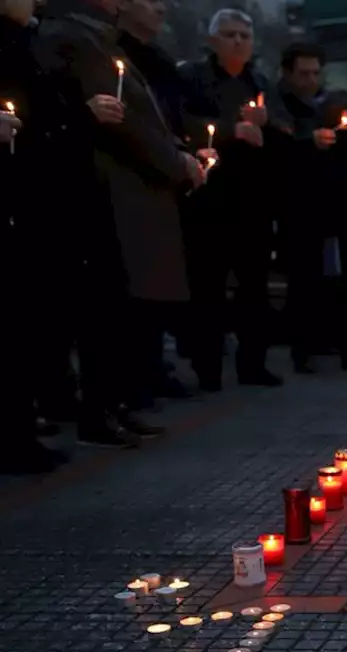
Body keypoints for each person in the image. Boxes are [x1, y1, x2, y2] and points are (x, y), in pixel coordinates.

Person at [36, 0, 203, 447]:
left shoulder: (100, 38)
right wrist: (175, 162)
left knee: (123, 308)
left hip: (133, 190)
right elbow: (122, 121)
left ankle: (117, 404)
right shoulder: (73, 36)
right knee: (108, 308)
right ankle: (102, 409)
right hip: (114, 190)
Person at [179, 8, 281, 390]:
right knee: (208, 285)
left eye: (244, 36)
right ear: (213, 41)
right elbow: (182, 123)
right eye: (230, 35)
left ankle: (253, 364)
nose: (238, 41)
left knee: (254, 286)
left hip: (254, 200)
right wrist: (230, 130)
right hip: (211, 198)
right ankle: (208, 369)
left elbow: (287, 131)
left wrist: (266, 124)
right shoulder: (193, 78)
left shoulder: (260, 82)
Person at [268, 43, 347, 374]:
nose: (311, 79)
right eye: (304, 73)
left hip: (341, 206)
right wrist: (307, 142)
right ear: (289, 73)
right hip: (300, 207)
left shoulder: (333, 104)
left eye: (315, 72)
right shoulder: (278, 106)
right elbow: (277, 152)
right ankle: (304, 349)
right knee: (303, 281)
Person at [0, 0, 72, 472]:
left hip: (31, 198)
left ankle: (20, 428)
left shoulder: (30, 42)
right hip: (13, 197)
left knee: (24, 322)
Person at [117, 0, 196, 405]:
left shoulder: (162, 61)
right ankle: (135, 373)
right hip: (136, 177)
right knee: (136, 281)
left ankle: (152, 365)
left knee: (160, 279)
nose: (161, 7)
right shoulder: (117, 53)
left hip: (168, 172)